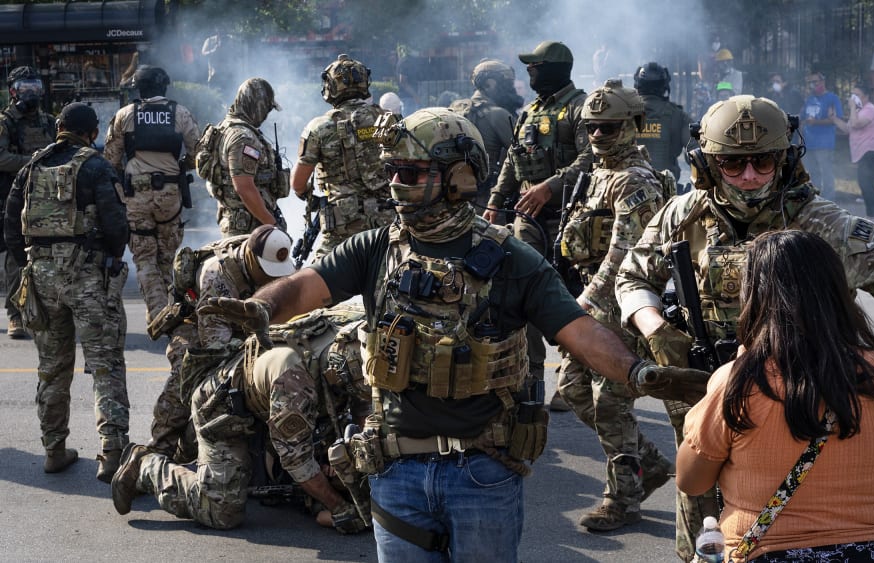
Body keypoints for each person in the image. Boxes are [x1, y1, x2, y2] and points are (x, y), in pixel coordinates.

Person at [194, 108, 708, 561]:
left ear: (459, 177)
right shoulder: (375, 248)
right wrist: (259, 308)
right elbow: (303, 287)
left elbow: (579, 331)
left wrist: (640, 373)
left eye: (412, 172)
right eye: (392, 170)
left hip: (483, 475)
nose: (396, 183)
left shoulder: (510, 258)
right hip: (395, 473)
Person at [615, 95, 874, 561]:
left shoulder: (818, 219)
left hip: (794, 401)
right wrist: (655, 328)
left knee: (791, 518)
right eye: (732, 164)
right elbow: (631, 276)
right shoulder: (680, 216)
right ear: (706, 165)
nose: (749, 176)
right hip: (702, 389)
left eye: (762, 161)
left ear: (785, 160)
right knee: (701, 530)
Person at [676, 229, 874, 562]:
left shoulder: (738, 382)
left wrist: (699, 414)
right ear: (837, 292)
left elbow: (691, 481)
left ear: (756, 297)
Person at [112, 303, 372, 533]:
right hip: (224, 412)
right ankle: (146, 466)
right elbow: (297, 460)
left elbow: (363, 409)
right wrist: (340, 507)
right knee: (221, 510)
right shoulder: (295, 381)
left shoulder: (351, 342)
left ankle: (191, 456)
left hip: (265, 404)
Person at [556, 79, 675, 531]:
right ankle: (651, 464)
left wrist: (580, 306)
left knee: (611, 404)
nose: (597, 136)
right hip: (594, 301)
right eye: (590, 128)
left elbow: (625, 255)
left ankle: (623, 497)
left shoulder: (636, 181)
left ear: (633, 125)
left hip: (620, 306)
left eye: (608, 127)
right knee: (571, 390)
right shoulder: (601, 173)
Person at [4, 103, 131, 481]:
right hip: (88, 277)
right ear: (92, 132)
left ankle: (53, 450)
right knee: (105, 364)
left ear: (58, 127)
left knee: (52, 368)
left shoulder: (28, 169)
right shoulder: (96, 167)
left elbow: (11, 229)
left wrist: (38, 262)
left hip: (41, 278)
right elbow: (116, 227)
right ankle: (111, 454)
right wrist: (103, 259)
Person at [483, 40, 593, 412]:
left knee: (570, 297)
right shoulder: (530, 111)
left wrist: (551, 186)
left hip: (572, 219)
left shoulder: (581, 108)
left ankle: (570, 378)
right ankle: (530, 379)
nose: (530, 73)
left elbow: (591, 159)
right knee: (520, 291)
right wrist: (497, 204)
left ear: (556, 68)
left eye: (536, 67)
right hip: (528, 219)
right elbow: (512, 164)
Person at [145, 225, 297, 462]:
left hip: (236, 321)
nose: (272, 277)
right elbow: (215, 345)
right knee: (188, 376)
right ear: (251, 260)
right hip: (195, 321)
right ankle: (157, 450)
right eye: (268, 271)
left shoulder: (273, 255)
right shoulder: (217, 275)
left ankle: (190, 447)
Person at [103, 66, 200, 327]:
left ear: (139, 88)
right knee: (166, 257)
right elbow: (198, 152)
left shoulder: (125, 114)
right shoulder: (180, 113)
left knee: (144, 257)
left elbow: (110, 159)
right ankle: (169, 309)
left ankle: (158, 313)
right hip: (170, 195)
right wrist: (182, 166)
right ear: (164, 86)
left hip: (136, 194)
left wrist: (127, 176)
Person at [290, 55, 393, 260]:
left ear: (330, 87)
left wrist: (315, 200)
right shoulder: (387, 119)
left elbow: (298, 183)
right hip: (386, 223)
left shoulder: (318, 128)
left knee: (317, 287)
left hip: (341, 228)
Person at [1, 66, 56, 339]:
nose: (31, 93)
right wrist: (35, 162)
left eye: (35, 86)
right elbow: (2, 158)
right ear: (13, 92)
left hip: (48, 198)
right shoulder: (6, 122)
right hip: (15, 198)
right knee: (16, 257)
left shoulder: (49, 121)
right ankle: (15, 315)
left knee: (50, 254)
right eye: (25, 88)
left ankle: (46, 311)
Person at [200, 77, 288, 237]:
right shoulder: (243, 137)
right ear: (258, 106)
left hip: (242, 222)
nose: (267, 115)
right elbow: (244, 187)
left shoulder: (226, 127)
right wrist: (272, 225)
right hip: (248, 228)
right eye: (267, 109)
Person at [450, 58, 522, 205]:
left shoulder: (455, 109)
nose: (511, 90)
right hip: (489, 199)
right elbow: (522, 155)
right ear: (490, 84)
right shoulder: (498, 114)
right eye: (507, 85)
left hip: (456, 196)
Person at [832, 83, 874, 227]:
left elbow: (856, 124)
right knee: (864, 185)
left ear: (866, 96)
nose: (853, 98)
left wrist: (851, 108)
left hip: (871, 151)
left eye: (857, 95)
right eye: (852, 94)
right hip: (863, 153)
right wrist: (834, 118)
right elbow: (847, 129)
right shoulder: (858, 111)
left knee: (867, 184)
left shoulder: (869, 109)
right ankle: (871, 217)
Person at [633, 62, 691, 181]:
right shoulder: (677, 115)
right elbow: (696, 152)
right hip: (666, 190)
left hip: (627, 186)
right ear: (664, 87)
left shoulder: (622, 113)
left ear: (637, 85)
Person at [801, 71, 843, 200]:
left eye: (815, 82)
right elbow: (802, 119)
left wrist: (816, 122)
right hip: (809, 142)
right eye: (810, 82)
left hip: (824, 142)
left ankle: (829, 200)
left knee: (826, 172)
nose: (813, 85)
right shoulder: (809, 99)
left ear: (822, 82)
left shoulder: (832, 98)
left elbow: (835, 119)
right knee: (812, 173)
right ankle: (816, 199)